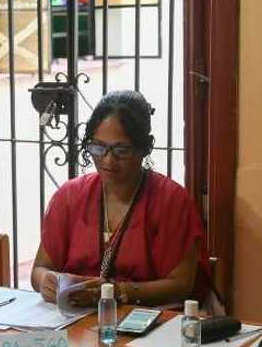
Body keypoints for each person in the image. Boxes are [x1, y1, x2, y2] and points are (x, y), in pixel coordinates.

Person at [30, 90, 206, 308]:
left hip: (145, 316)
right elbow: (39, 270)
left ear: (144, 147)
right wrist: (47, 281)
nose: (108, 160)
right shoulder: (69, 196)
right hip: (75, 317)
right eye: (98, 147)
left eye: (121, 150)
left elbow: (181, 284)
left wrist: (116, 291)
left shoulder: (171, 201)